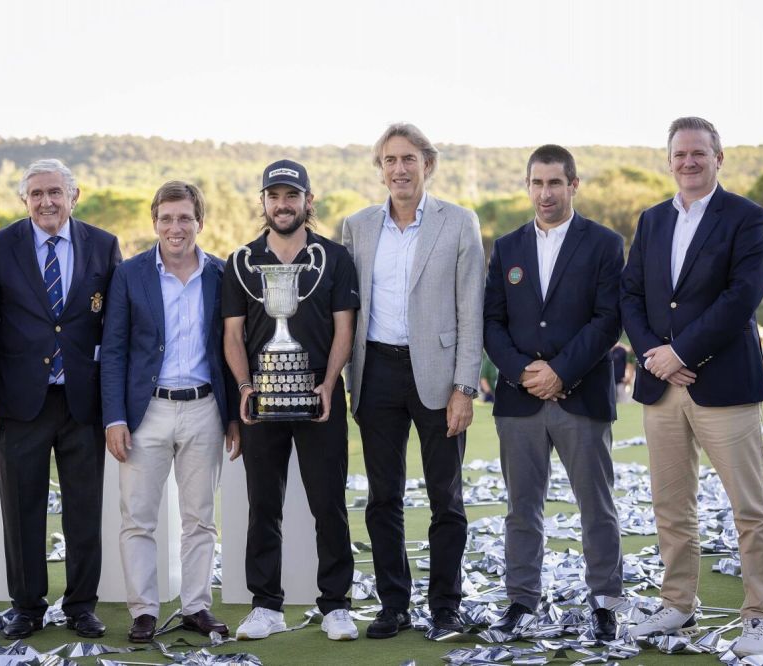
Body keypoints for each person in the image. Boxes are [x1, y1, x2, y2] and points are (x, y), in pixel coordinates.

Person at [621, 117, 763, 656]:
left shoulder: (747, 218)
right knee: (671, 505)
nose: (688, 162)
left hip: (724, 385)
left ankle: (760, 615)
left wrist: (682, 352)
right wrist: (654, 356)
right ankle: (677, 604)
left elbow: (742, 297)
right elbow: (631, 296)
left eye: (698, 153)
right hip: (662, 387)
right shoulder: (651, 220)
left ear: (719, 158)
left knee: (749, 507)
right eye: (680, 154)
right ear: (669, 160)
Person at [341, 123, 484, 638]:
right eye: (389, 160)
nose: (399, 169)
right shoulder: (356, 226)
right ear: (379, 168)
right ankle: (393, 604)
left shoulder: (459, 222)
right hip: (375, 372)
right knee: (383, 497)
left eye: (408, 159)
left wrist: (464, 386)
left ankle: (445, 604)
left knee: (446, 497)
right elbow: (348, 310)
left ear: (428, 164)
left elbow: (472, 311)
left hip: (440, 377)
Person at [0, 159, 121, 640]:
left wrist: (115, 404)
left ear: (74, 196)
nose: (46, 202)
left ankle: (80, 606)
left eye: (55, 192)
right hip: (19, 404)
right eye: (36, 194)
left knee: (84, 511)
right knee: (21, 510)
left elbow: (114, 331)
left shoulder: (103, 245)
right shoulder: (0, 246)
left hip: (83, 403)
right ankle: (27, 607)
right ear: (24, 200)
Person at [483, 145, 624, 641]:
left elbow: (608, 319)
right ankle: (521, 601)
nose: (546, 193)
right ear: (528, 186)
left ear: (573, 185)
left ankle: (605, 601)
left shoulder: (605, 243)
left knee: (596, 505)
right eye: (537, 183)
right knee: (522, 507)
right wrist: (526, 372)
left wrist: (561, 372)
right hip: (519, 401)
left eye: (555, 183)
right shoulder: (506, 247)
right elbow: (492, 322)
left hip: (580, 397)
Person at [224, 159, 360, 642]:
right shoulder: (241, 261)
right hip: (262, 402)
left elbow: (345, 328)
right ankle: (266, 605)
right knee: (264, 505)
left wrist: (328, 382)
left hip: (321, 400)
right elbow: (233, 336)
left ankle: (337, 605)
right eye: (274, 196)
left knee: (329, 504)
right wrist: (244, 387)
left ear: (308, 201)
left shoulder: (334, 257)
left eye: (291, 196)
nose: (283, 205)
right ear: (263, 202)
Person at [101, 181, 237, 643]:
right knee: (138, 518)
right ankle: (143, 611)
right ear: (154, 222)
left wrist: (234, 417)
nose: (175, 227)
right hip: (147, 412)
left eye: (185, 218)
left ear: (201, 221)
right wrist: (114, 417)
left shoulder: (221, 274)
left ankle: (197, 605)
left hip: (204, 409)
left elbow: (229, 349)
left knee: (200, 518)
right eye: (167, 218)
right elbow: (114, 349)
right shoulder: (131, 274)